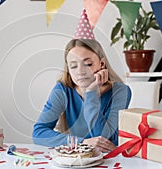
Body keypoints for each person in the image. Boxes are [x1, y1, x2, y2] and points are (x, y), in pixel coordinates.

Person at [32, 9, 132, 153]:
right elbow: (38, 134)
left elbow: (105, 139)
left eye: (88, 64)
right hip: (75, 159)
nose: (80, 71)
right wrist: (82, 142)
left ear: (101, 64)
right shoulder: (62, 90)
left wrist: (91, 93)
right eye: (73, 66)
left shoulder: (120, 91)